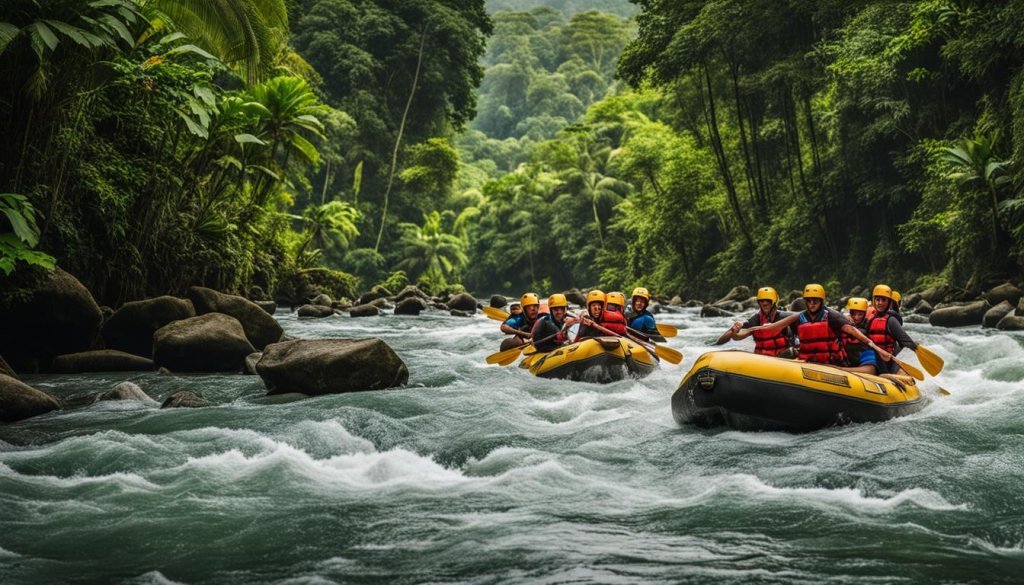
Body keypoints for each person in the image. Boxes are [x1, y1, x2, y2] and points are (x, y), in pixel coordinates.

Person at [742, 283, 893, 367]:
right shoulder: (800, 317)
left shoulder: (832, 316)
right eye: (809, 300)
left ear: (821, 301)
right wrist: (745, 329)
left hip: (832, 365)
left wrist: (878, 349)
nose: (812, 303)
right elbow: (774, 326)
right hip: (808, 363)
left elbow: (854, 332)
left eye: (815, 300)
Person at [717, 287, 796, 358]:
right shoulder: (755, 320)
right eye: (762, 301)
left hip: (783, 358)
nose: (764, 303)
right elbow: (738, 336)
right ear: (759, 303)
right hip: (762, 359)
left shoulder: (784, 316)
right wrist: (733, 331)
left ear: (774, 302)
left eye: (768, 301)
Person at [865, 284, 919, 374]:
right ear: (873, 301)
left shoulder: (891, 321)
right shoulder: (870, 318)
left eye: (883, 300)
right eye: (877, 299)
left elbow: (906, 341)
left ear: (889, 302)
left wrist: (915, 349)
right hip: (872, 360)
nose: (880, 303)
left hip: (888, 361)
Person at [840, 297, 879, 374]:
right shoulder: (843, 322)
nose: (856, 317)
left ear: (865, 314)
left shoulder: (869, 326)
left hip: (863, 355)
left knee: (871, 369)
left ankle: (842, 369)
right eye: (853, 314)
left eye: (860, 314)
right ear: (849, 313)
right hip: (848, 359)